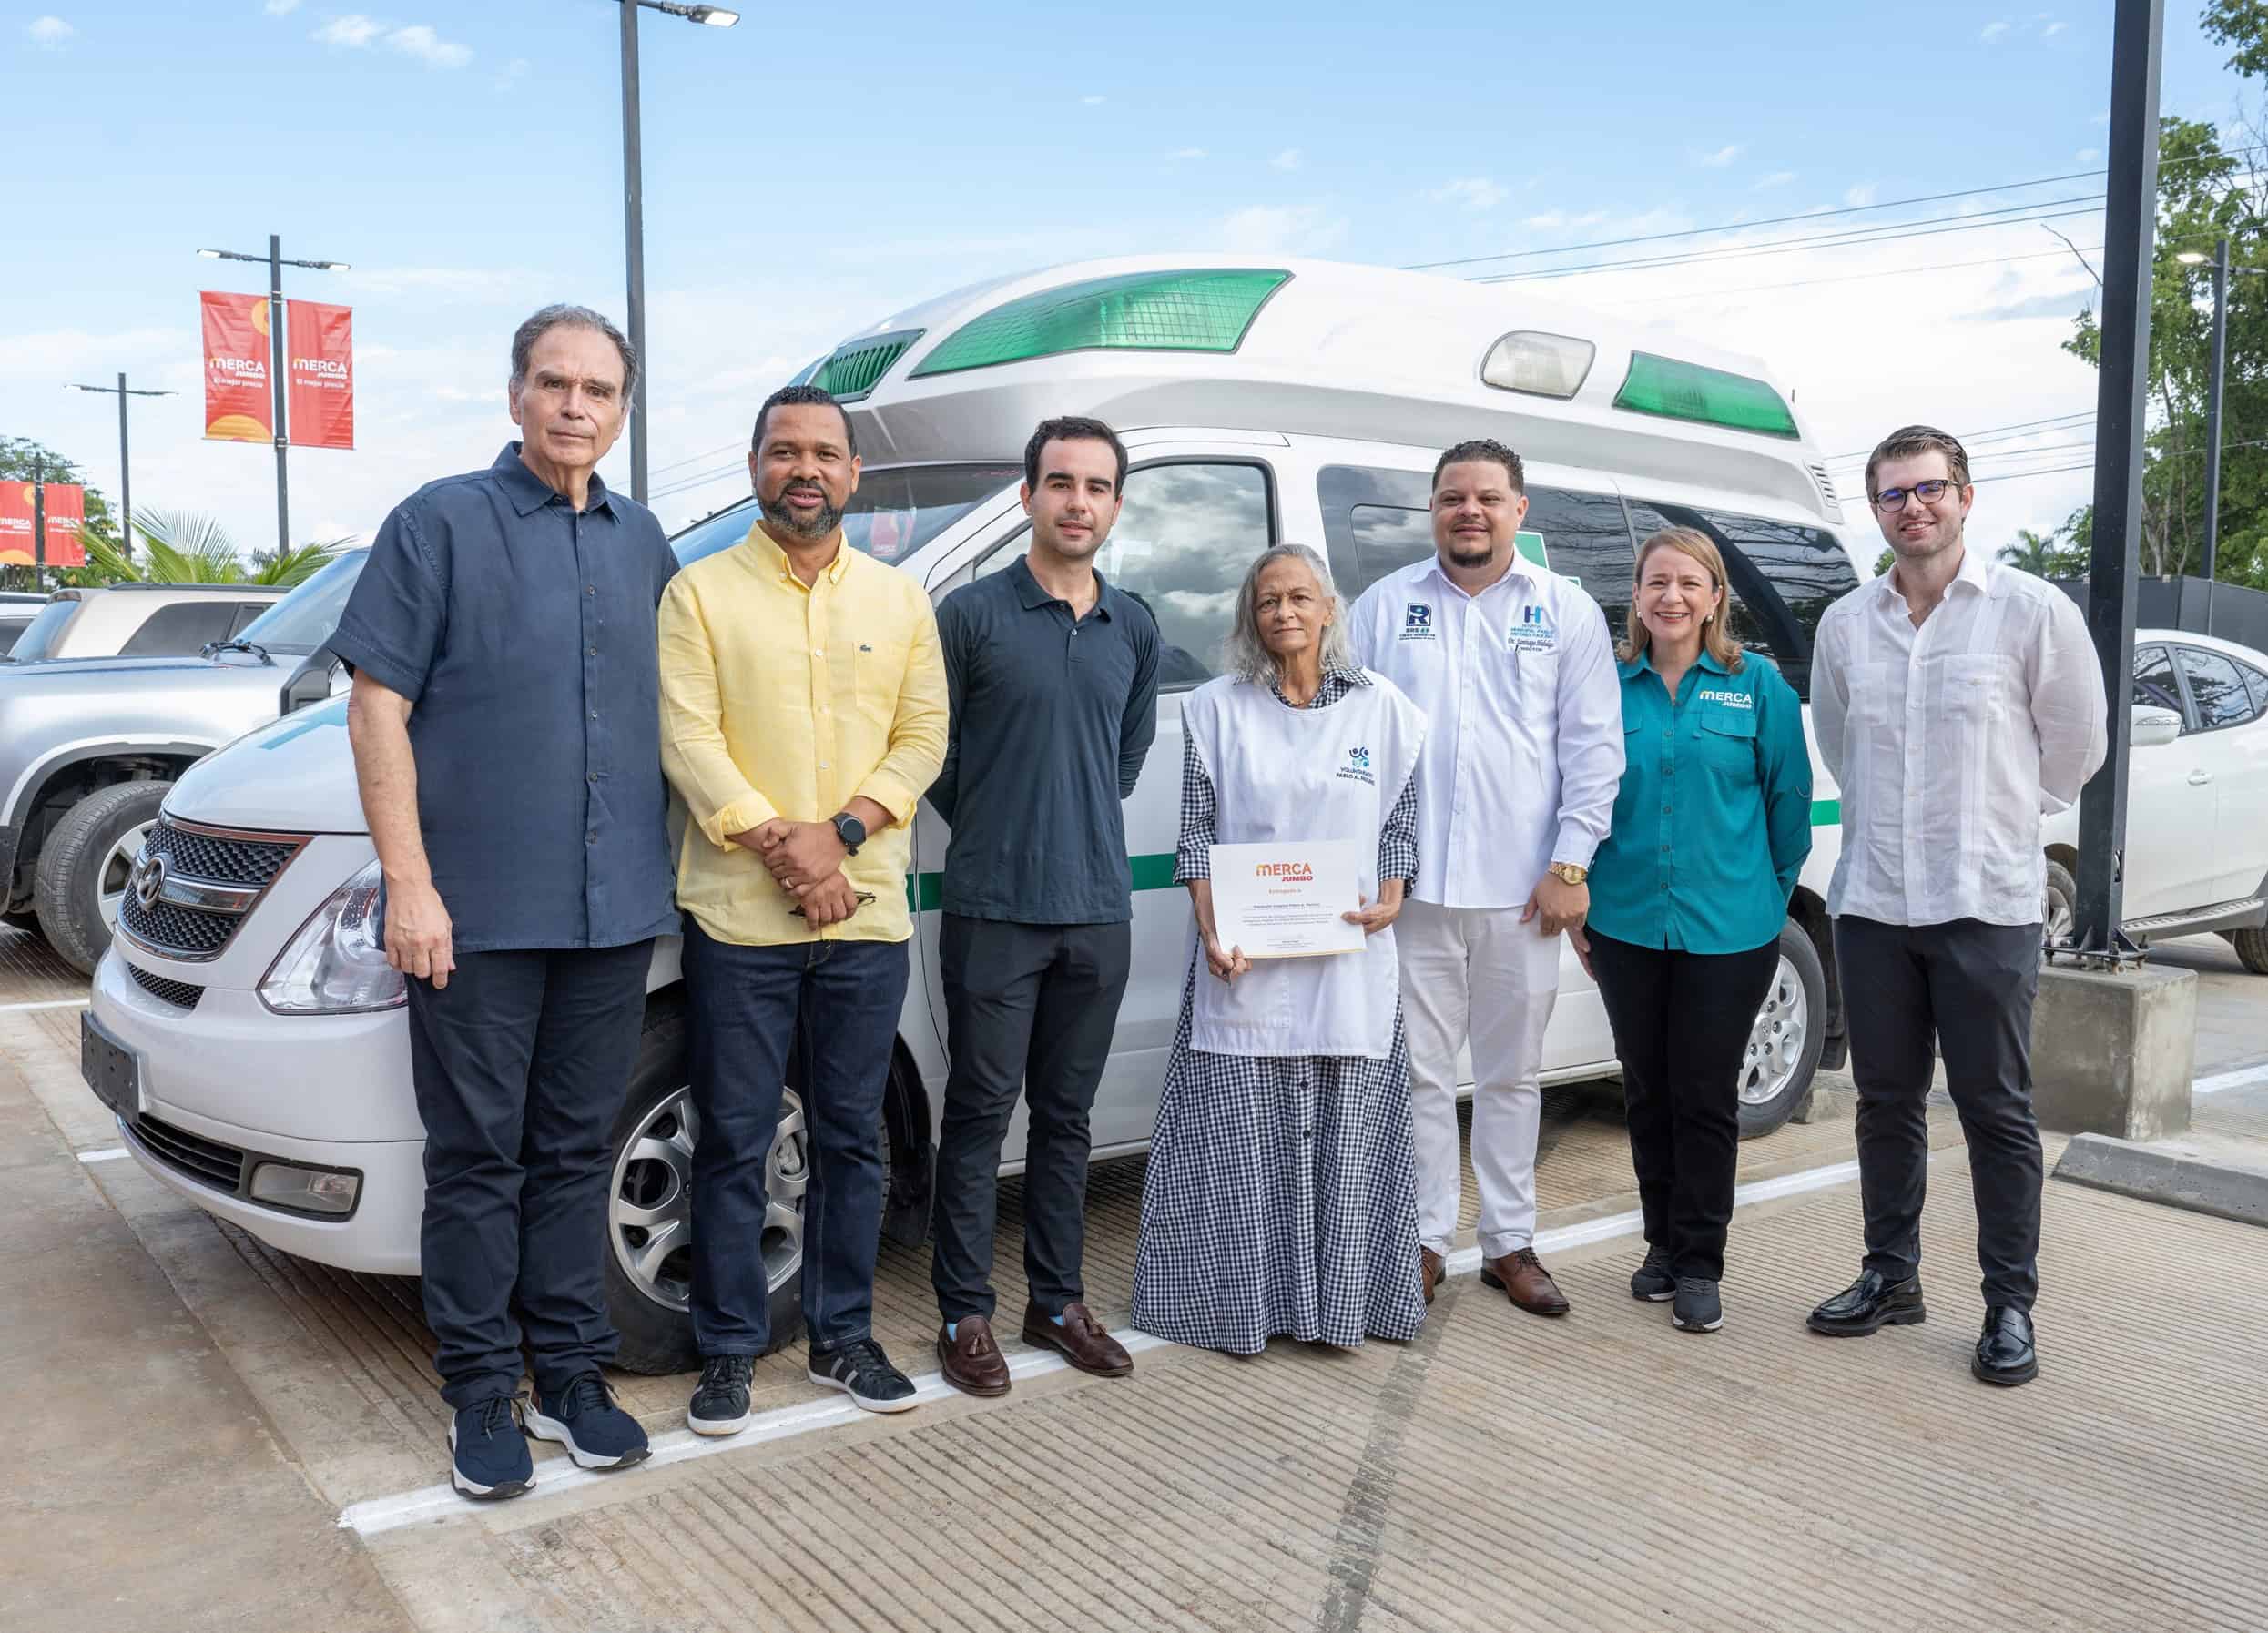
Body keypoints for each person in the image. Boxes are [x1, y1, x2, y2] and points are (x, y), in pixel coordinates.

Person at [334, 304, 676, 1501]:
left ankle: (573, 1376)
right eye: (554, 383)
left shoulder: (645, 546)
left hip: (611, 911)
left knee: (575, 1151)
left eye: (598, 390)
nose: (575, 406)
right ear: (516, 394)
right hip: (472, 915)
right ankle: (481, 1391)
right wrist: (410, 884)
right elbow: (376, 705)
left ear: (621, 410)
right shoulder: (440, 523)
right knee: (478, 1159)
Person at [657, 383, 948, 1427]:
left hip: (864, 918)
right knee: (733, 1137)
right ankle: (729, 1349)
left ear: (853, 474)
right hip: (738, 918)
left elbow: (922, 739)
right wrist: (787, 848)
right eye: (786, 452)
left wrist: (844, 836)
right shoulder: (697, 596)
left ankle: (842, 1337)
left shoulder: (899, 601)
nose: (806, 470)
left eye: (825, 453)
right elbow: (689, 742)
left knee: (851, 1138)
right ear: (754, 467)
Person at [1807, 424, 2107, 1387]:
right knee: (1883, 1104)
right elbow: (1837, 739)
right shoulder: (1846, 625)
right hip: (1875, 905)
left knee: (1995, 1111)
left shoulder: (2030, 612)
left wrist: (2000, 812)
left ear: (1965, 497)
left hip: (1987, 904)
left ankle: (2007, 1306)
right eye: (1892, 495)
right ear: (1877, 511)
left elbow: (2075, 748)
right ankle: (1891, 1277)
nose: (1912, 508)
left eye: (1928, 488)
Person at [1348, 440, 1623, 1316]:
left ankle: (1509, 1243)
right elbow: (1348, 741)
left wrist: (1569, 865)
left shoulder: (1564, 610)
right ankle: (1427, 1239)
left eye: (1487, 498)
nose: (1469, 511)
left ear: (1518, 511)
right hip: (1413, 894)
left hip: (1523, 895)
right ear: (1430, 510)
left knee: (1510, 1077)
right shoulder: (1385, 607)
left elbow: (1592, 749)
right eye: (1451, 498)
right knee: (1422, 1076)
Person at [1133, 544, 1428, 1354]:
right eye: (1268, 602)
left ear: (1329, 608)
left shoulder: (1383, 710)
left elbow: (1399, 823)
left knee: (1349, 1137)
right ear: (1250, 619)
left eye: (1300, 597)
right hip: (1245, 961)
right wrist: (1208, 923)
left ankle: (1341, 1309)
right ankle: (1234, 1311)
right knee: (1235, 1144)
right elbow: (1195, 830)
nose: (1284, 613)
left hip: (1347, 959)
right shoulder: (1217, 709)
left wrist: (1394, 892)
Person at [925, 416, 1160, 1397]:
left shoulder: (1135, 625)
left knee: (1067, 1118)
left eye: (1096, 486)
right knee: (979, 1115)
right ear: (1027, 498)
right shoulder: (970, 617)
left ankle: (1055, 1300)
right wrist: (1001, 822)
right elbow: (929, 756)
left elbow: (1125, 758)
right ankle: (963, 1313)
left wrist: (1061, 820)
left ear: (1114, 505)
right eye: (1059, 483)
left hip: (1097, 910)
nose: (1077, 502)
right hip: (991, 906)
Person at [1572, 527, 1812, 1335]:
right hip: (1626, 923)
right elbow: (1577, 798)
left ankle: (1702, 1262)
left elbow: (1788, 815)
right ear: (1635, 597)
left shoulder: (1760, 692)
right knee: (1646, 1090)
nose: (1669, 597)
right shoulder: (1604, 687)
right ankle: (1661, 1250)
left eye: (1687, 583)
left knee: (1705, 1097)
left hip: (1730, 933)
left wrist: (1760, 904)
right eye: (1654, 583)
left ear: (1715, 598)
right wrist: (1581, 901)